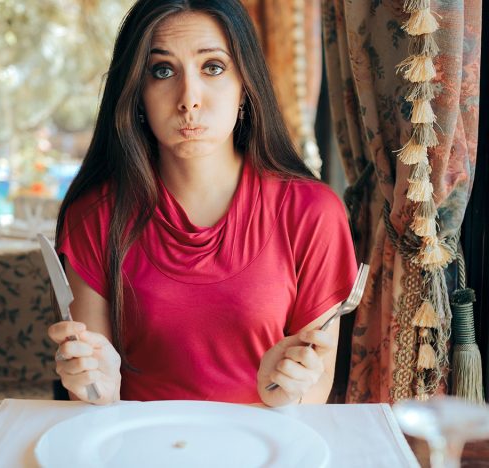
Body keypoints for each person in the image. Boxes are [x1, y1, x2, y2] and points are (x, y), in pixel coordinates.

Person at [48, 0, 357, 407]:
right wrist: (94, 387)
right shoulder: (95, 215)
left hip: (267, 448)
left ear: (245, 84)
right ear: (137, 94)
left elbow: (315, 385)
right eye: (162, 71)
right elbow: (92, 393)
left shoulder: (312, 213)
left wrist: (287, 391)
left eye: (213, 67)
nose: (188, 99)